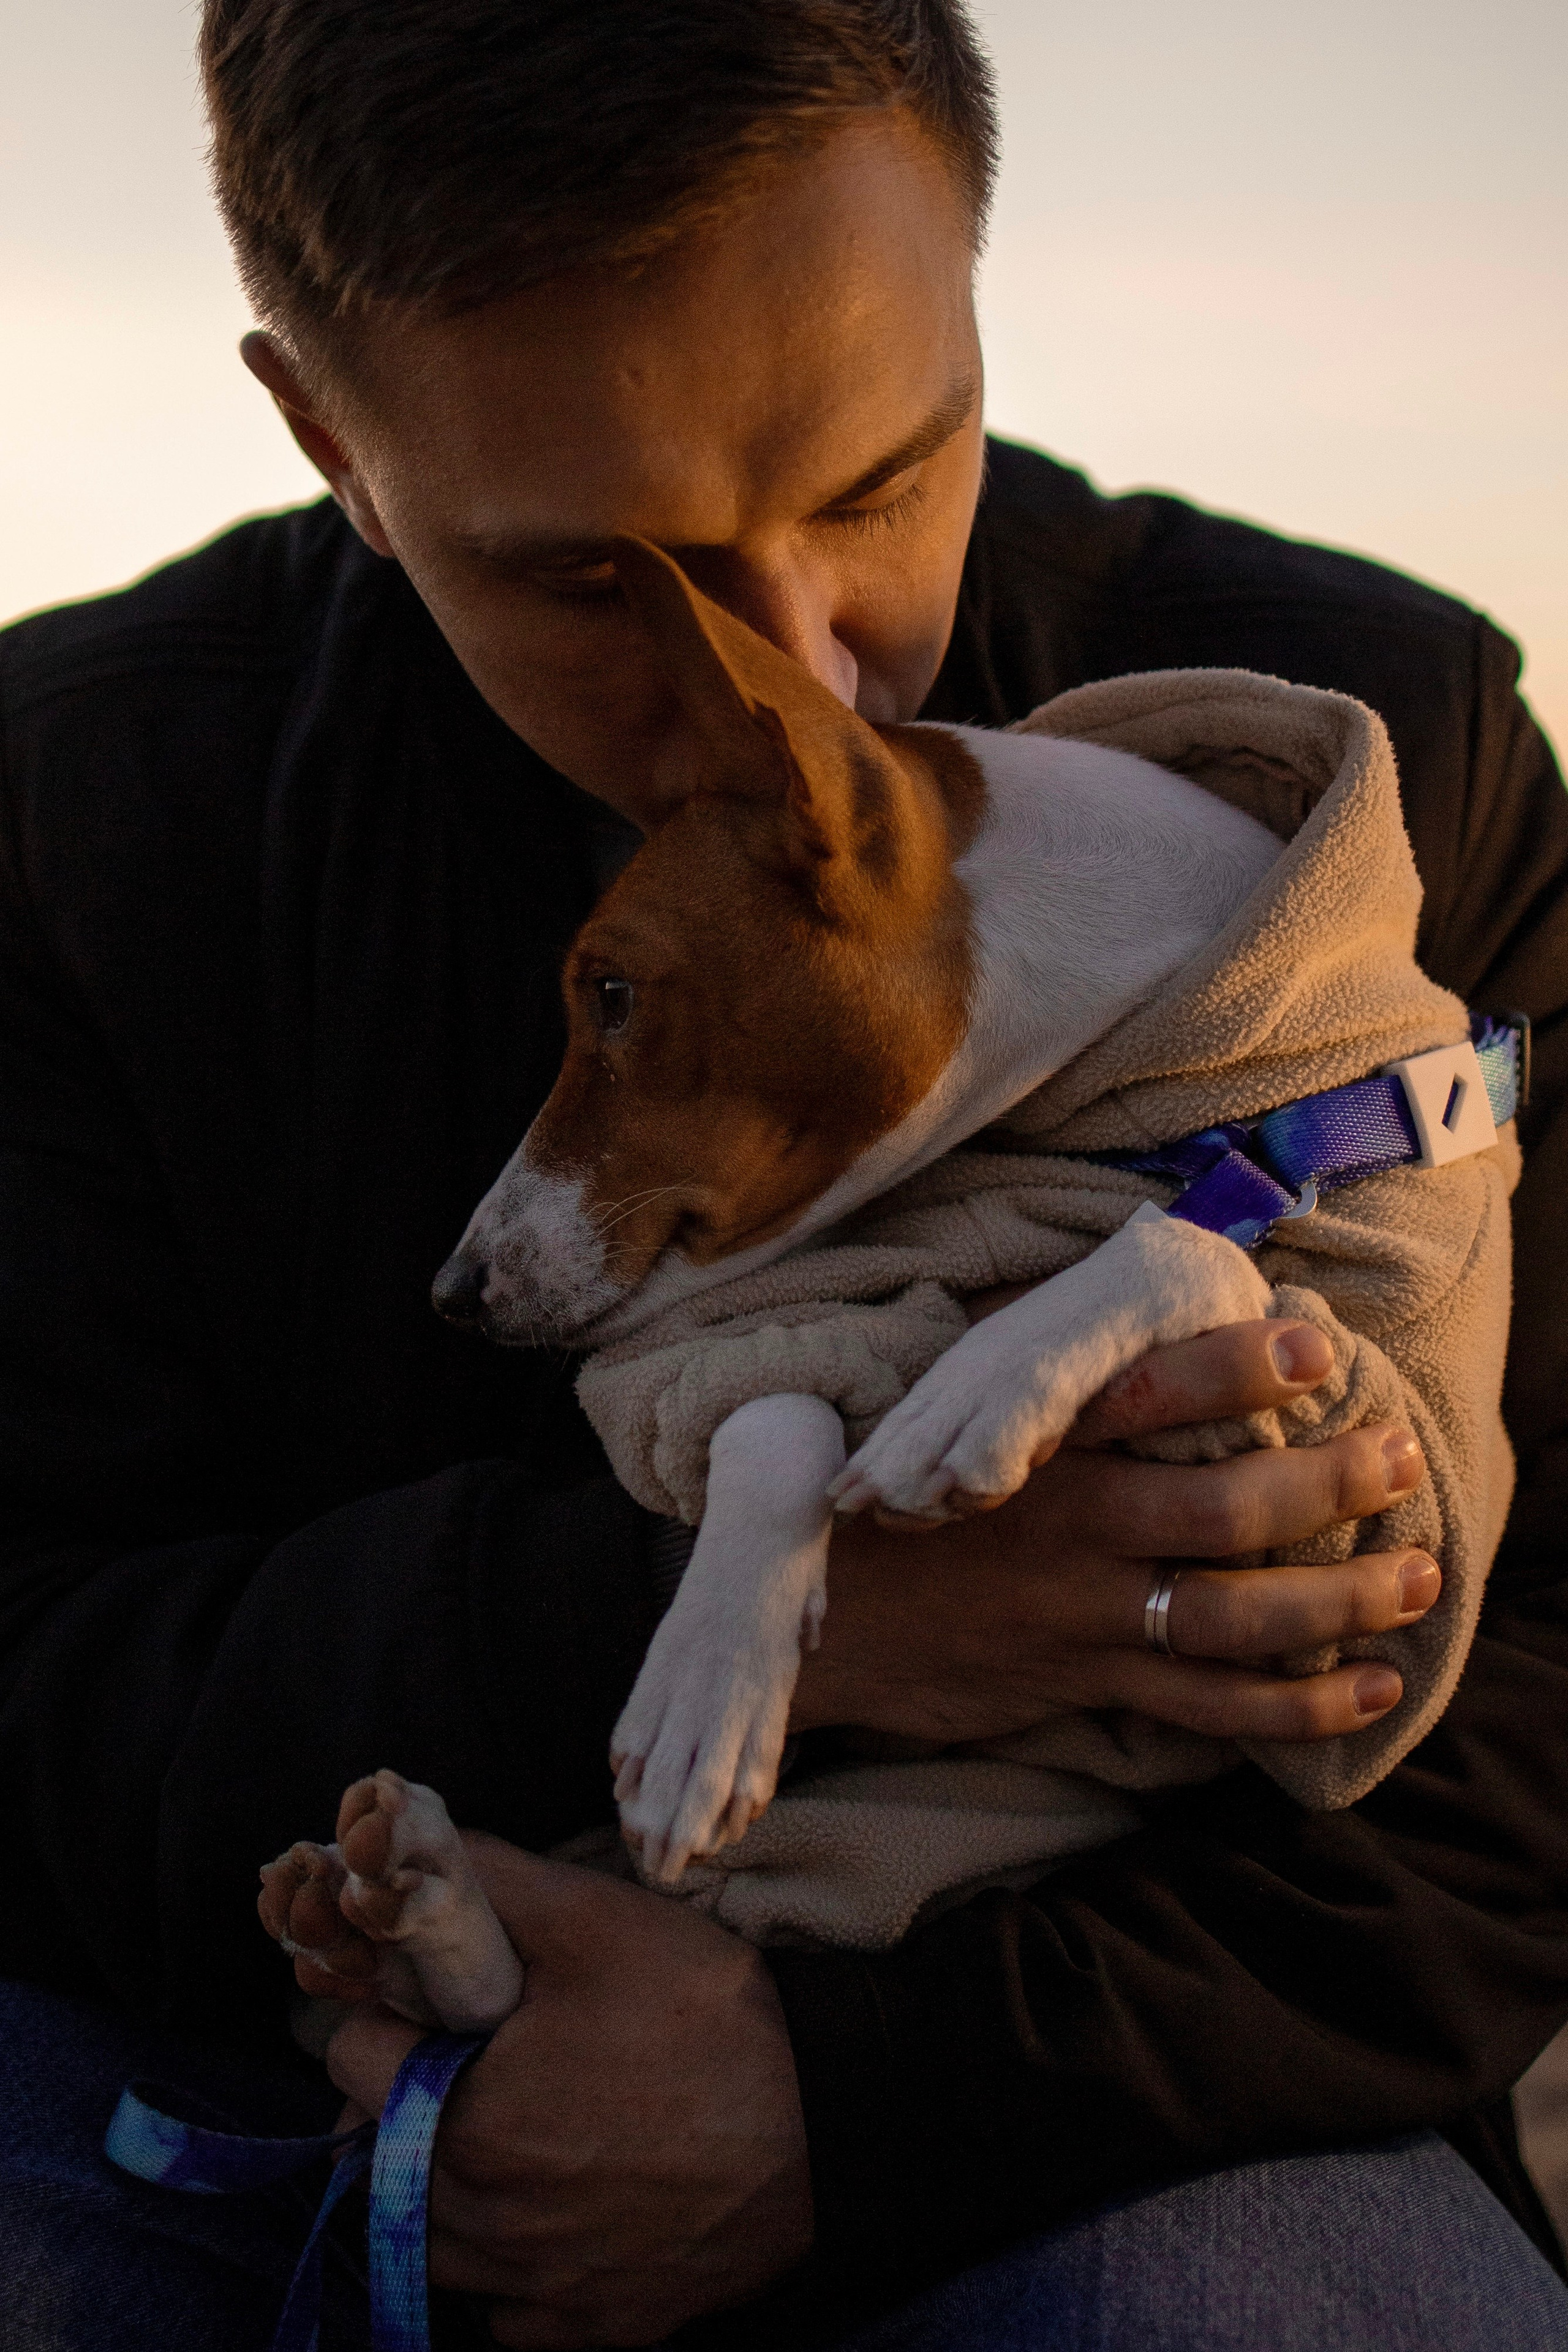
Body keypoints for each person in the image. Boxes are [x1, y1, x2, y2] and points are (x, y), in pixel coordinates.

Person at [2, 4, 1567, 2346]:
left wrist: (849, 2101)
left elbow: (1540, 1726)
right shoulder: (74, 812)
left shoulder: (1381, 763)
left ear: (973, 277)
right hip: (215, 2070)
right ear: (334, 437)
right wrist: (780, 1606)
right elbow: (30, 1690)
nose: (809, 686)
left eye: (876, 482)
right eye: (592, 585)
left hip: (1098, 2069)